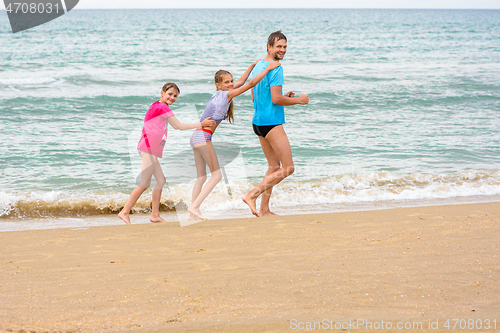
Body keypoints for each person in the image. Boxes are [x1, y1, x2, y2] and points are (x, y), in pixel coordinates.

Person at [188, 60, 282, 221]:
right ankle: (194, 207)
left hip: (196, 137)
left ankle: (191, 214)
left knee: (201, 177)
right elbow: (250, 83)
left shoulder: (219, 94)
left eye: (231, 81)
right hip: (203, 137)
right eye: (227, 82)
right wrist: (267, 68)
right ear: (218, 85)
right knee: (216, 176)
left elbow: (241, 82)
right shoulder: (226, 94)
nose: (231, 84)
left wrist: (252, 66)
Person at [118, 83, 215, 224]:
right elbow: (179, 126)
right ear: (162, 93)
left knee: (161, 180)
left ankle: (155, 215)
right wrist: (202, 124)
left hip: (150, 148)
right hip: (148, 148)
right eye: (169, 94)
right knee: (144, 183)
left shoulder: (159, 106)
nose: (172, 97)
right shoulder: (161, 107)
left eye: (175, 96)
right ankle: (125, 212)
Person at [242, 30, 309, 217]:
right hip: (271, 123)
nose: (283, 50)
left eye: (285, 47)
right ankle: (251, 195)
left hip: (258, 122)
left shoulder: (259, 65)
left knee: (273, 166)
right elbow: (275, 99)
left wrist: (283, 96)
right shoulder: (276, 67)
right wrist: (299, 101)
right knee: (288, 168)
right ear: (269, 47)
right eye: (279, 46)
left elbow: (255, 94)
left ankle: (264, 209)